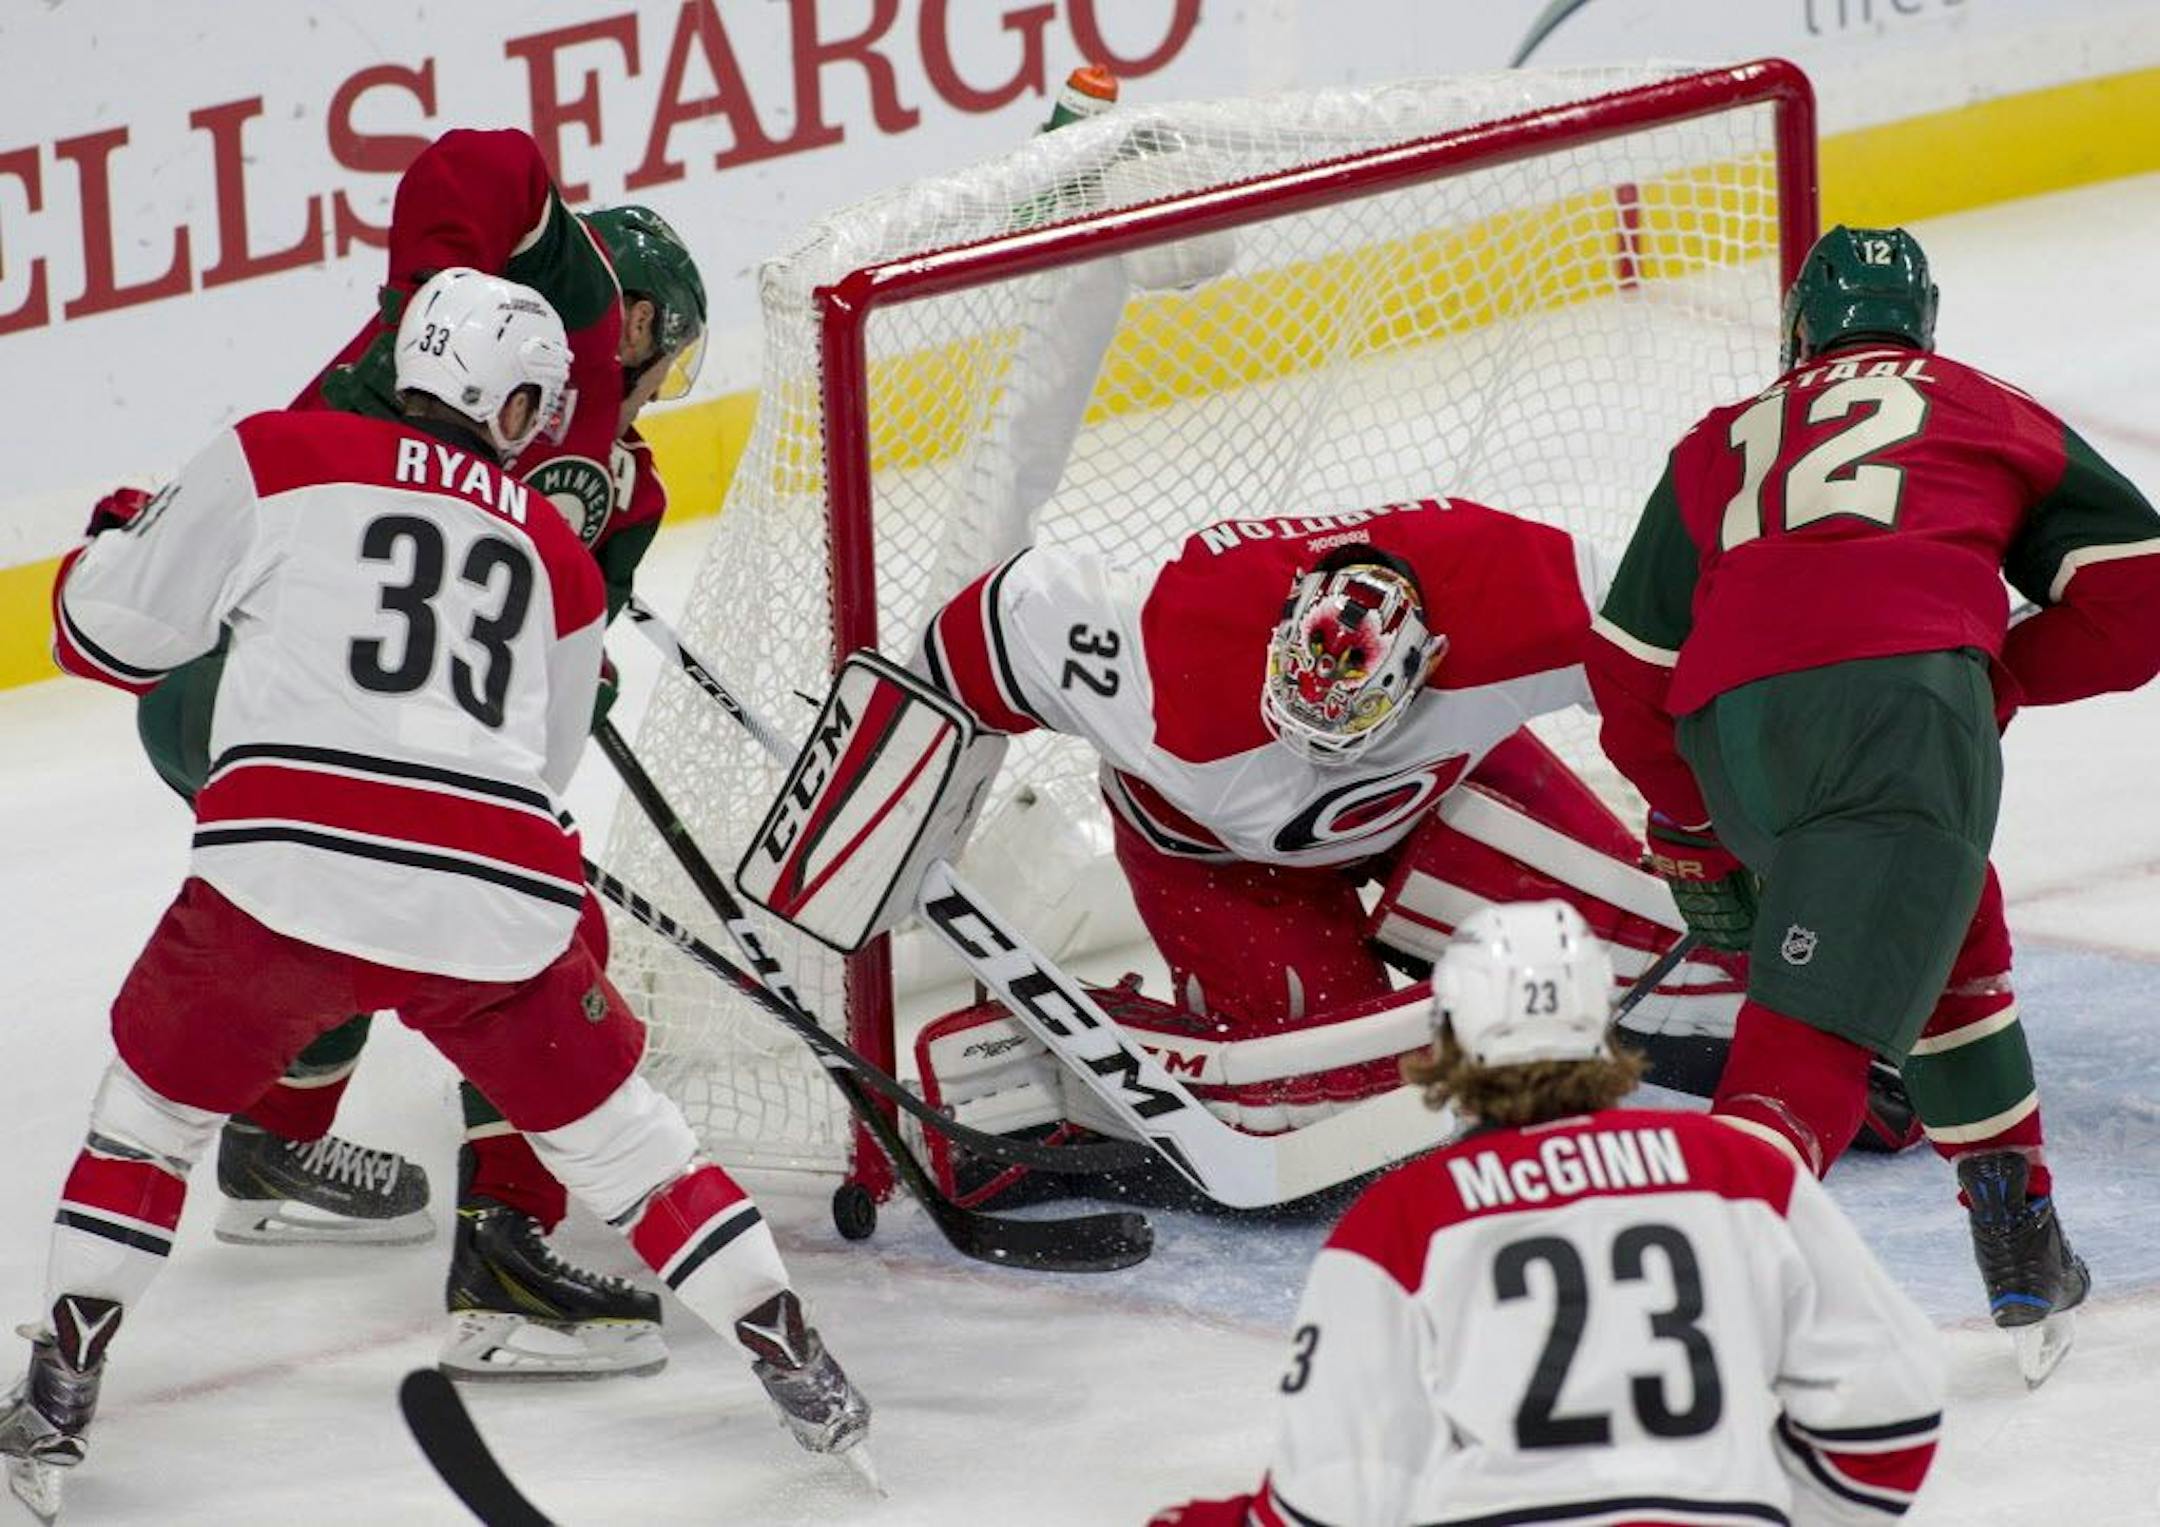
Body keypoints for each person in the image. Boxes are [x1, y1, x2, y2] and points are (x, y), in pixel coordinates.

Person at [1, 270, 866, 1522]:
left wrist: (125, 535)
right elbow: (547, 762)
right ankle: (805, 1372)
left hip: (282, 879)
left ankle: (62, 1386)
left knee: (148, 1126)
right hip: (495, 898)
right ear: (509, 402)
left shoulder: (281, 452)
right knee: (633, 1147)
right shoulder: (559, 555)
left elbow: (105, 637)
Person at [125, 126, 709, 1380]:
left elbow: (562, 647)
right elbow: (474, 162)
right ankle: (506, 1255)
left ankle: (275, 1139)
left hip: (248, 706)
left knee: (338, 920)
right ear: (641, 313)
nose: (661, 387)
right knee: (529, 919)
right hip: (252, 676)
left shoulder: (627, 483)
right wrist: (429, 301)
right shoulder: (555, 321)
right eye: (670, 354)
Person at [1586, 224, 2160, 1378]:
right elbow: (2140, 597)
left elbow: (1629, 666)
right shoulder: (1981, 406)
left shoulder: (1716, 443)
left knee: (1944, 921)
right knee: (1813, 1040)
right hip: (1899, 712)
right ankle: (1697, 1305)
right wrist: (1999, 673)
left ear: (1799, 330)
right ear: (1924, 327)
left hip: (1731, 737)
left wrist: (1690, 822)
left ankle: (2019, 1233)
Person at [904, 496, 1836, 1186]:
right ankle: (1038, 1062)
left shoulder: (1523, 592)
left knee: (1692, 964)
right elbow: (986, 628)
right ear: (1281, 629)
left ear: (1428, 665)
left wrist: (1726, 838)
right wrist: (865, 813)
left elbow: (1682, 666)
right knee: (1339, 1117)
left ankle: (1832, 1025)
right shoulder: (1172, 649)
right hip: (1220, 864)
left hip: (1436, 795)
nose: (1309, 748)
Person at [1150, 901, 1945, 1527]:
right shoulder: (1738, 1171)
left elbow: (1338, 1496)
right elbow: (1889, 1405)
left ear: (1450, 1039)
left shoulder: (1404, 1220)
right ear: (1601, 1028)